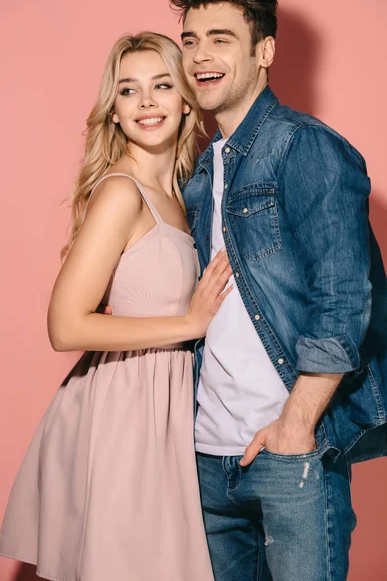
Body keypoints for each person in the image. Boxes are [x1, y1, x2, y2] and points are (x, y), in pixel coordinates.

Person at [167, 0, 387, 580]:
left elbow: (344, 299)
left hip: (287, 452)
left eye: (221, 40)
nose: (200, 57)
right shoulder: (200, 168)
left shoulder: (307, 148)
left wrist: (297, 424)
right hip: (205, 454)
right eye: (190, 41)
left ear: (264, 51)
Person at [0, 32, 232, 581]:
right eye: (129, 90)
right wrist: (190, 323)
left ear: (185, 100)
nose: (147, 102)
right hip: (123, 410)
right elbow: (65, 325)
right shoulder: (121, 192)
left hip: (163, 408)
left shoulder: (182, 195)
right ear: (115, 111)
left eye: (161, 86)